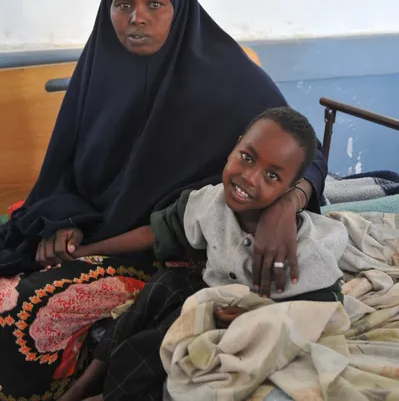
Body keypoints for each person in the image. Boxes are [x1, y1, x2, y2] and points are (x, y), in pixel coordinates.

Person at [0, 0, 327, 398]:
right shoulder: (98, 70)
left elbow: (307, 151)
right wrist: (64, 220)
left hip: (171, 250)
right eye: (123, 4)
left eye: (154, 4)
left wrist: (285, 208)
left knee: (18, 307)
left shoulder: (227, 75)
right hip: (98, 231)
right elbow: (62, 171)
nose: (138, 17)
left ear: (178, 7)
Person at [61, 107, 347, 401]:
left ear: (290, 188)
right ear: (234, 147)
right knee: (165, 284)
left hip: (259, 319)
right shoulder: (210, 203)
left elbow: (324, 304)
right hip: (212, 298)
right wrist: (86, 251)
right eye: (246, 157)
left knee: (150, 347)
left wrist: (255, 316)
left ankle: (113, 394)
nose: (249, 177)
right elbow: (159, 231)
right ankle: (90, 378)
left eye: (271, 175)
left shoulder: (303, 246)